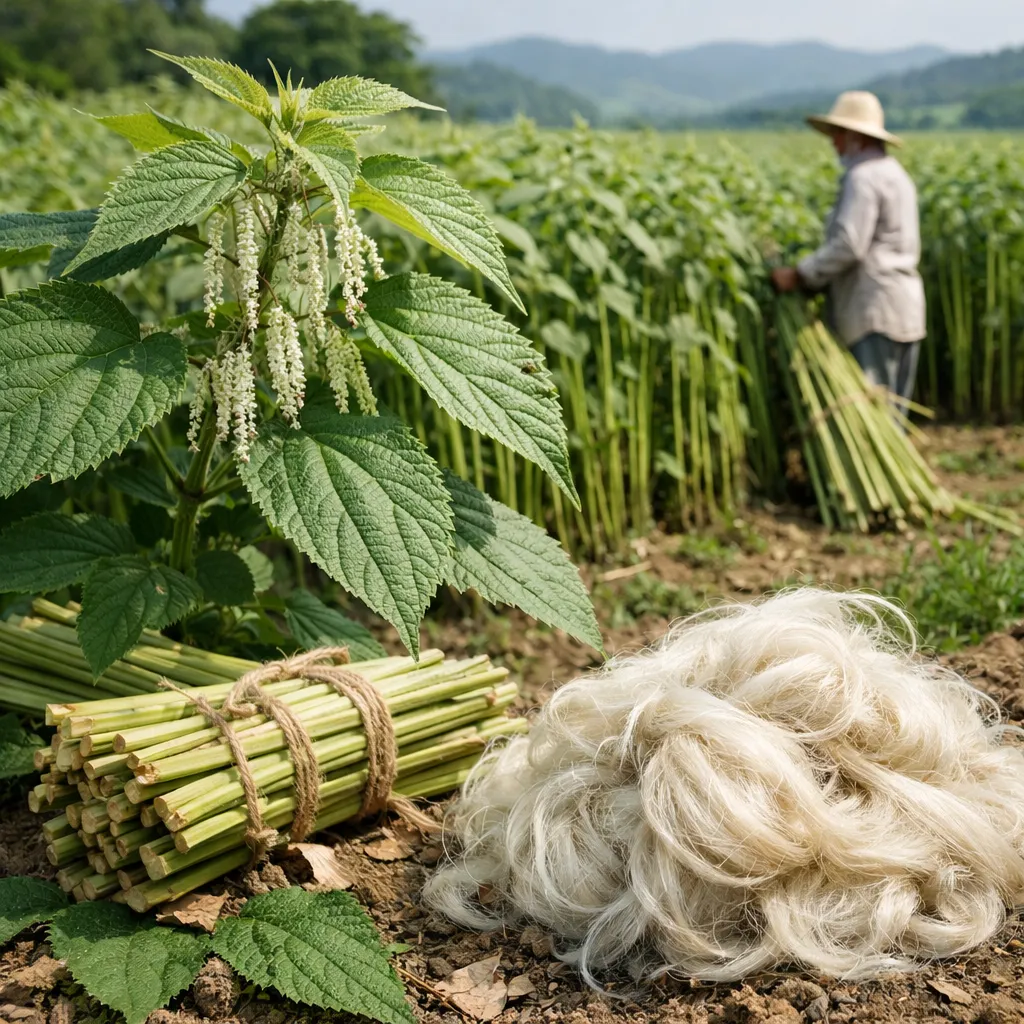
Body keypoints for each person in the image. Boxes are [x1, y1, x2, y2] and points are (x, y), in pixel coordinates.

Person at [772, 91, 926, 419]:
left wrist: (800, 274)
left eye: (838, 135)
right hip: (905, 309)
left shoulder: (863, 178)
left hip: (872, 311)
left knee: (874, 419)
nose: (834, 144)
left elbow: (848, 245)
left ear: (856, 137)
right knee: (891, 416)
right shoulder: (896, 174)